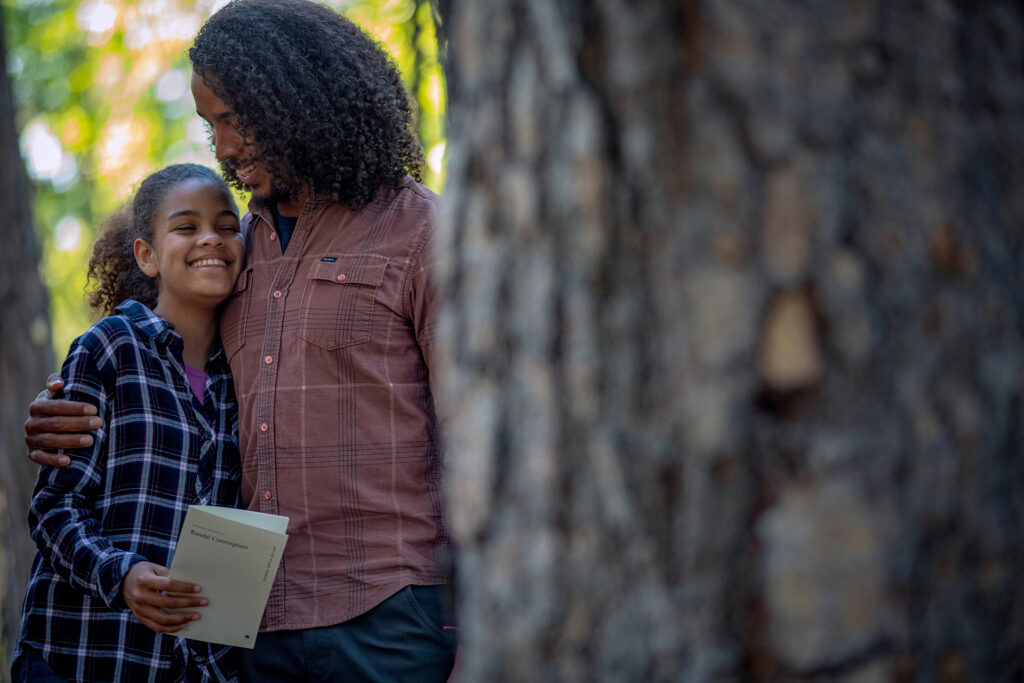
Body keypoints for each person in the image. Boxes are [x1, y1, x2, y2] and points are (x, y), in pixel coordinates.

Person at [25, 1, 457, 681]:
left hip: (391, 620)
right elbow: (158, 366)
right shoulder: (229, 249)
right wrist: (66, 405)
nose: (223, 148)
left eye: (234, 119)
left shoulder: (423, 232)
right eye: (210, 125)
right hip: (248, 635)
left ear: (297, 98)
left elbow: (489, 441)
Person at [13, 164, 245, 683]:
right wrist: (121, 575)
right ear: (147, 255)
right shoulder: (110, 348)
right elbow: (54, 508)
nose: (212, 237)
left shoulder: (244, 375)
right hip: (81, 656)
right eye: (186, 227)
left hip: (188, 668)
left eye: (228, 226)